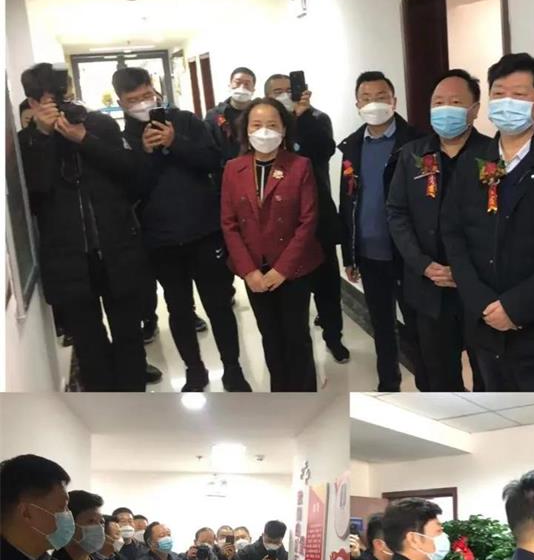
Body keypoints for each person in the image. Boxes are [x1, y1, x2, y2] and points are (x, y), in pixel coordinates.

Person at [442, 53, 534, 392]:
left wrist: (516, 308)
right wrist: (480, 301)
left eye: (519, 94)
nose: (507, 102)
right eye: (499, 94)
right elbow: (454, 234)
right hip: (482, 326)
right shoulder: (471, 163)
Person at [112, 66, 251, 393]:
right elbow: (131, 191)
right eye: (133, 100)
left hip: (204, 232)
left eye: (147, 95)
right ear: (120, 103)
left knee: (219, 305)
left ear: (155, 90)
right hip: (160, 242)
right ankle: (194, 370)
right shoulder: (122, 140)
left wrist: (175, 142)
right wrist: (147, 154)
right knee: (178, 310)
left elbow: (213, 161)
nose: (143, 103)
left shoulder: (186, 120)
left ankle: (233, 369)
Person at [18, 62, 152, 392]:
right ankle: (104, 406)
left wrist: (84, 139)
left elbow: (132, 174)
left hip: (117, 250)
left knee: (129, 336)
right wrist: (44, 136)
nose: (61, 104)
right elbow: (34, 195)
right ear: (33, 103)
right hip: (68, 261)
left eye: (63, 95)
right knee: (89, 345)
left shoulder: (99, 124)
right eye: (50, 100)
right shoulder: (27, 143)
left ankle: (135, 401)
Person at [388, 69, 490, 392]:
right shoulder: (413, 154)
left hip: (480, 287)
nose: (446, 109)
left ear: (474, 109)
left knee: (487, 374)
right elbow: (397, 213)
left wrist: (465, 271)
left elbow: (501, 223)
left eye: (456, 102)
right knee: (438, 376)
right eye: (438, 102)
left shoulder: (492, 156)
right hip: (428, 287)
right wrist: (423, 264)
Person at [220, 97, 322, 391]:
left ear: (284, 129)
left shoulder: (300, 166)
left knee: (296, 337)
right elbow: (229, 224)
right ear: (246, 131)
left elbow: (308, 222)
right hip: (255, 271)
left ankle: (305, 398)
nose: (264, 131)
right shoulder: (233, 168)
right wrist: (248, 271)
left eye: (272, 125)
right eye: (256, 125)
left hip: (293, 269)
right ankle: (280, 395)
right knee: (270, 336)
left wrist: (282, 270)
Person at [338, 71, 425, 392]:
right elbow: (346, 202)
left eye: (381, 97)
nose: (374, 103)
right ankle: (389, 382)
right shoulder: (352, 146)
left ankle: (428, 383)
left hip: (408, 255)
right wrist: (349, 255)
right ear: (357, 104)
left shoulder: (416, 143)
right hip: (369, 253)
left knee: (417, 325)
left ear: (394, 101)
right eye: (366, 98)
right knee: (382, 325)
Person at [265, 73, 350, 364]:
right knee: (291, 290)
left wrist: (302, 117)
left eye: (288, 90)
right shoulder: (265, 128)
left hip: (318, 216)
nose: (284, 95)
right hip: (280, 224)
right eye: (277, 91)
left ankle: (333, 337)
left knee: (328, 286)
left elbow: (324, 151)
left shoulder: (317, 118)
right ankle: (294, 345)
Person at [205, 66, 258, 166]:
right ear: (230, 85)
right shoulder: (214, 115)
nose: (242, 87)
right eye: (237, 82)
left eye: (247, 84)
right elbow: (208, 146)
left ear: (253, 89)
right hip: (223, 169)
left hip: (255, 166)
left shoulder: (260, 113)